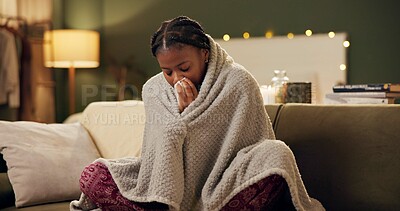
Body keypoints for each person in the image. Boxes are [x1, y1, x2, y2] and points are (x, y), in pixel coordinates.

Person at [71, 16, 324, 211]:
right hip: (165, 181)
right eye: (167, 71)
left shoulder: (238, 81)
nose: (176, 78)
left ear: (204, 53)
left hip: (226, 181)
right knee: (93, 174)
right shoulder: (154, 89)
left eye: (184, 67)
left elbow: (253, 141)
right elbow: (157, 153)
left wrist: (192, 115)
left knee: (277, 154)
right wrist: (182, 116)